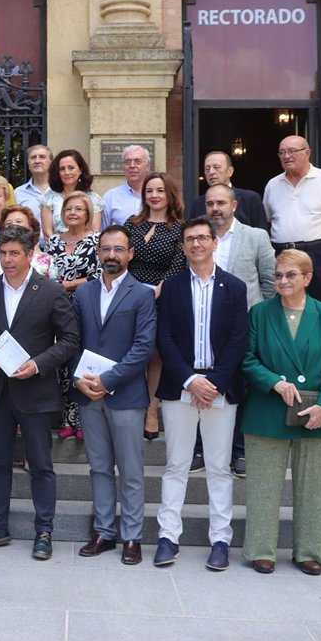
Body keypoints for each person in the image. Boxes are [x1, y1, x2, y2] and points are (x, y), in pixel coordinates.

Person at [0, 225, 80, 560]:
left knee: (41, 465)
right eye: (3, 253)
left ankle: (44, 531)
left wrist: (38, 364)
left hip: (35, 390)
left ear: (31, 254)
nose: (7, 260)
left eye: (14, 253)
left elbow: (70, 340)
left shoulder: (50, 291)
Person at [241, 249, 321, 575]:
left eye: (291, 275)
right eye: (279, 275)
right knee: (263, 486)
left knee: (314, 487)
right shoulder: (260, 313)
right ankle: (261, 549)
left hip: (314, 413)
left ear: (307, 278)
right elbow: (247, 359)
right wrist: (273, 382)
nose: (283, 281)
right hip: (268, 410)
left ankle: (310, 551)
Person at [153, 217, 249, 572]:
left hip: (220, 387)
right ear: (182, 246)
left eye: (202, 238)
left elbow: (239, 339)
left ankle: (220, 540)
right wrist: (191, 380)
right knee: (176, 464)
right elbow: (164, 338)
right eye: (190, 239)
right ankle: (168, 537)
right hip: (180, 386)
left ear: (214, 242)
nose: (196, 244)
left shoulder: (234, 287)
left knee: (219, 467)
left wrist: (215, 383)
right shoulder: (172, 286)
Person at [69, 224, 156, 564]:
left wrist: (107, 380)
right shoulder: (84, 293)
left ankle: (132, 537)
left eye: (119, 249)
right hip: (88, 395)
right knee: (100, 467)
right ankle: (104, 532)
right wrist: (79, 379)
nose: (111, 255)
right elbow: (72, 341)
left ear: (130, 254)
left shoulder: (142, 294)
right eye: (106, 249)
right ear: (98, 252)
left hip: (125, 395)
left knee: (130, 471)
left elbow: (143, 347)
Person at [191, 183, 277, 476]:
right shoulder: (198, 238)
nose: (215, 209)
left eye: (221, 203)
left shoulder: (256, 236)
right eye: (210, 204)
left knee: (240, 388)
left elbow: (269, 281)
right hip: (204, 326)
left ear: (234, 206)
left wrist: (260, 318)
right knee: (203, 383)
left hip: (245, 326)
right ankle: (200, 449)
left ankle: (239, 451)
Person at [126, 172, 188, 441]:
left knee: (154, 356)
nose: (154, 195)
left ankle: (151, 410)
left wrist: (151, 296)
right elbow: (123, 258)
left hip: (161, 298)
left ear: (169, 194)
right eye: (149, 191)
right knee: (128, 353)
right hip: (128, 296)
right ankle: (132, 407)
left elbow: (176, 268)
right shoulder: (132, 224)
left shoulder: (180, 228)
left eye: (160, 190)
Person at [263, 135, 321, 305]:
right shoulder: (272, 185)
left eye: (292, 151)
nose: (286, 156)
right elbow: (266, 223)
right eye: (282, 152)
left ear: (307, 153)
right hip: (282, 254)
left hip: (318, 255)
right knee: (284, 304)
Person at [44, 192, 101, 439]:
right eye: (68, 209)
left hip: (83, 305)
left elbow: (99, 274)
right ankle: (66, 419)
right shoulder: (53, 241)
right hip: (55, 307)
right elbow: (45, 270)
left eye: (78, 209)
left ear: (88, 213)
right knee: (61, 362)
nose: (73, 213)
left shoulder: (97, 240)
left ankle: (82, 421)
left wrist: (69, 285)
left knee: (81, 359)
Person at [186, 150, 268, 230]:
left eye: (216, 167)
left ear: (230, 171)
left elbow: (262, 235)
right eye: (207, 169)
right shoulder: (197, 203)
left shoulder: (250, 199)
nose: (211, 172)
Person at [0, 206, 57, 281]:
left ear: (31, 227)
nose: (13, 225)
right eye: (9, 223)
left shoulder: (48, 260)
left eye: (18, 221)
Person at [41, 149, 102, 236]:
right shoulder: (48, 198)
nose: (67, 172)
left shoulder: (93, 198)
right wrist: (59, 244)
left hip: (86, 244)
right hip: (55, 244)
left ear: (80, 170)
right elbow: (47, 233)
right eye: (62, 169)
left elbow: (94, 232)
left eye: (71, 168)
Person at [101, 144, 150, 228]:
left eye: (137, 161)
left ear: (147, 166)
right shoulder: (111, 197)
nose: (132, 165)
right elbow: (102, 231)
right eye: (127, 162)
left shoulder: (156, 196)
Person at [14, 144, 53, 219]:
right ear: (28, 163)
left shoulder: (61, 189)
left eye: (42, 157)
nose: (37, 161)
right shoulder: (18, 193)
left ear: (51, 162)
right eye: (33, 157)